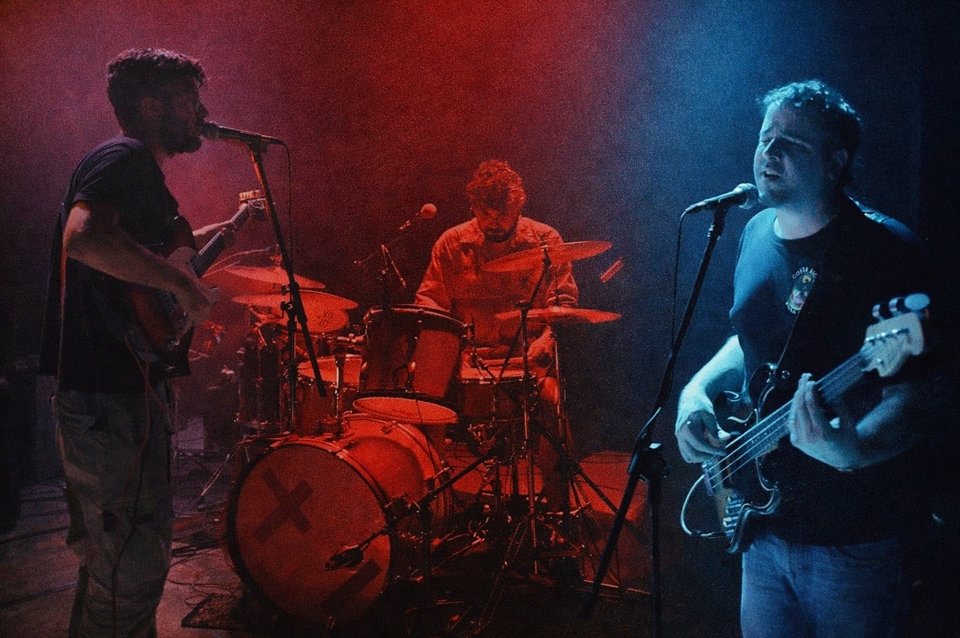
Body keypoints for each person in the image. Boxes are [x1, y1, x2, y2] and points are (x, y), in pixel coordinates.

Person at [674, 80, 949, 637]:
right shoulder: (755, 231)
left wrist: (853, 449)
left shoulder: (886, 250)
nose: (769, 152)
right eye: (765, 137)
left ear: (835, 160)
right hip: (763, 531)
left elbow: (915, 396)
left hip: (854, 541)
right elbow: (747, 339)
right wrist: (694, 392)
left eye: (792, 143)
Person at [39, 48, 235, 637]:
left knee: (116, 564)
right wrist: (183, 285)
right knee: (133, 564)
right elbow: (83, 237)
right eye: (190, 100)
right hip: (106, 394)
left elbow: (141, 258)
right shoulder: (122, 156)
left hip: (120, 388)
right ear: (152, 106)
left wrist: (211, 245)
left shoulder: (138, 172)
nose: (202, 113)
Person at [415, 159, 579, 511]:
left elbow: (563, 303)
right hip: (468, 364)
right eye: (485, 214)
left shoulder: (545, 240)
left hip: (527, 364)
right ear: (473, 207)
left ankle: (559, 513)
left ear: (519, 204)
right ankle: (436, 508)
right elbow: (429, 302)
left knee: (554, 409)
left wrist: (547, 337)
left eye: (503, 213)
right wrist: (448, 348)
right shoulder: (451, 243)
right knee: (424, 408)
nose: (494, 222)